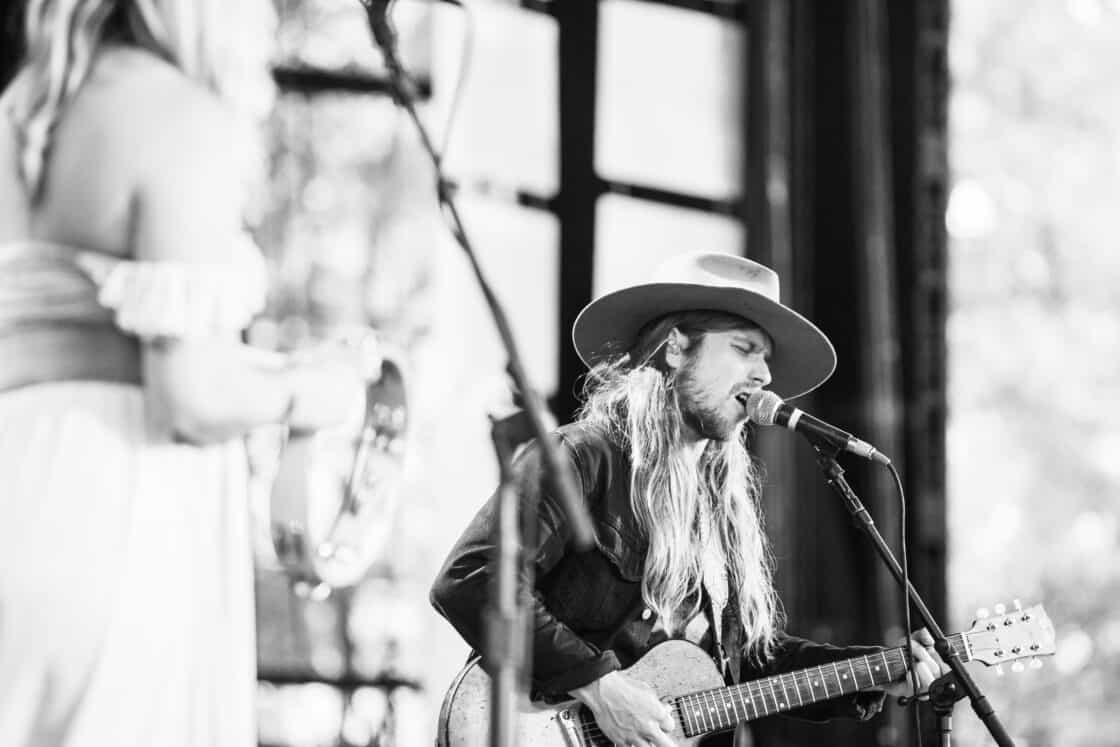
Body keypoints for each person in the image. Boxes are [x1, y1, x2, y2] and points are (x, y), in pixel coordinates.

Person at [0, 2, 370, 745]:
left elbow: (95, 337)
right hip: (109, 502)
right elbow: (190, 396)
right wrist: (320, 391)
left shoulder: (21, 113)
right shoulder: (178, 116)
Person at [430, 252, 950, 746]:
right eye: (744, 348)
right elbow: (472, 579)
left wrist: (876, 671)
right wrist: (601, 687)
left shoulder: (719, 507)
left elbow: (748, 661)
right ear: (677, 348)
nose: (765, 376)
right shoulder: (585, 456)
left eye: (765, 359)